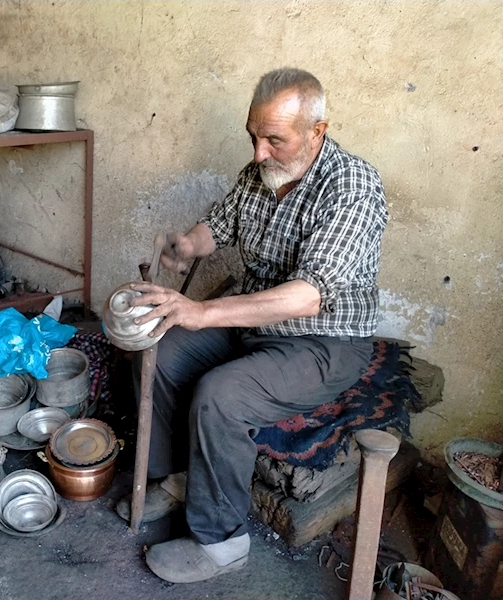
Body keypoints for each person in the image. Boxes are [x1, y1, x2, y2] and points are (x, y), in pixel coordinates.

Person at [115, 68, 388, 584]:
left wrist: (200, 311)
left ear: (318, 132)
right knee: (162, 348)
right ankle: (176, 478)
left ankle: (222, 542)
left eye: (274, 140)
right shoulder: (260, 173)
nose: (259, 152)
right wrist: (188, 244)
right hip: (257, 324)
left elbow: (307, 297)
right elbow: (218, 226)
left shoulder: (353, 185)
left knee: (223, 394)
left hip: (323, 341)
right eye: (253, 136)